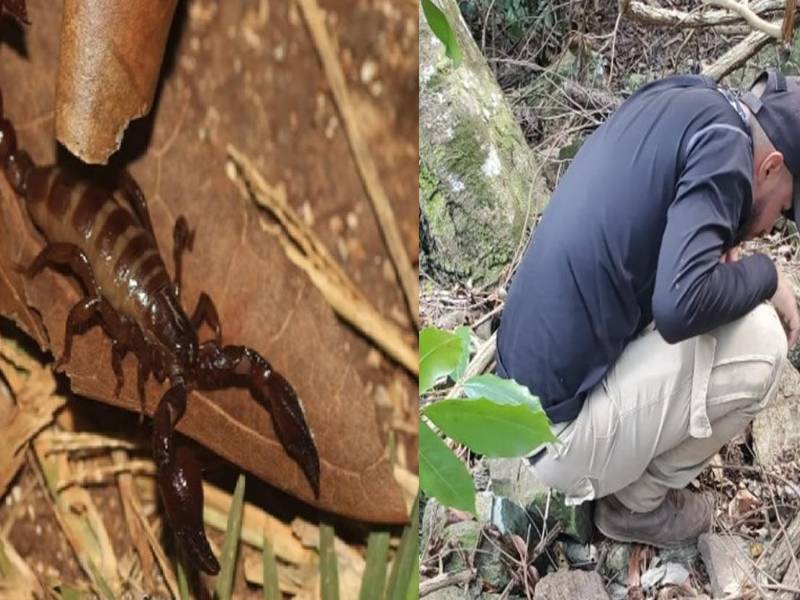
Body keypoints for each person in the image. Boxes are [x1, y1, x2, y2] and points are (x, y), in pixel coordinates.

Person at [496, 69, 800, 547]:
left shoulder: (691, 97)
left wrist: (721, 235)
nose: (773, 224)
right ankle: (634, 506)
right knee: (764, 344)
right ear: (770, 166)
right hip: (557, 438)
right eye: (784, 208)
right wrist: (768, 275)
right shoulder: (726, 156)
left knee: (718, 297)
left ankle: (615, 467)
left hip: (510, 398)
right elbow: (680, 305)